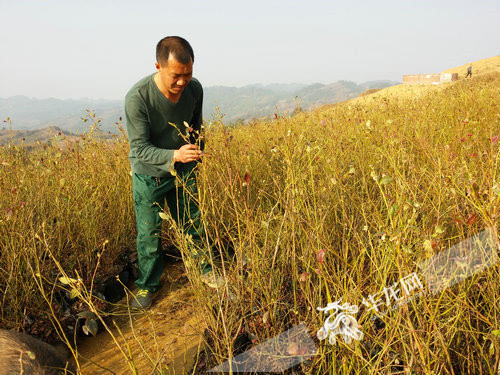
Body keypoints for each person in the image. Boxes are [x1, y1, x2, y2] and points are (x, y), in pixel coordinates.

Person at [125, 36, 217, 309]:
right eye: (176, 76)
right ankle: (148, 285)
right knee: (149, 235)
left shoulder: (194, 89)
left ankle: (205, 270)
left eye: (188, 75)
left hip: (184, 170)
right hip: (149, 176)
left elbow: (195, 126)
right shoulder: (138, 98)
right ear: (158, 66)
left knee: (193, 222)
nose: (182, 82)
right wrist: (174, 155)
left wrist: (196, 152)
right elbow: (140, 149)